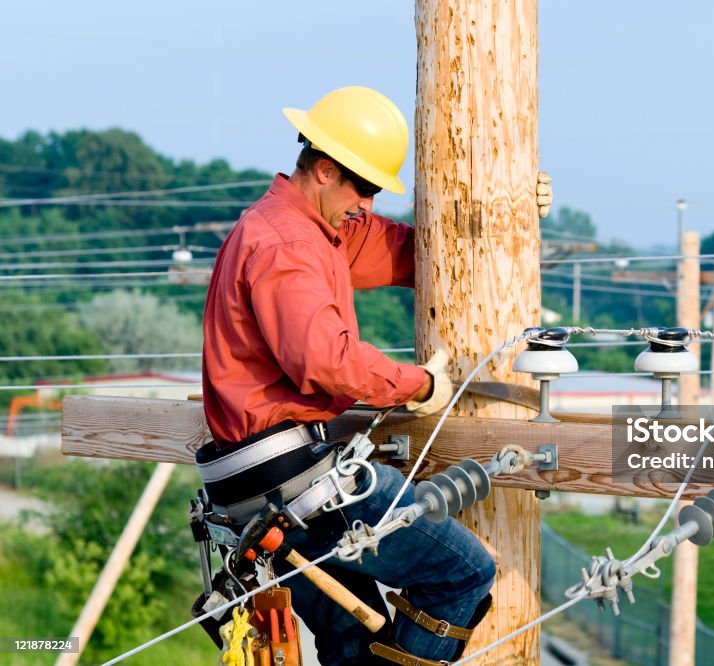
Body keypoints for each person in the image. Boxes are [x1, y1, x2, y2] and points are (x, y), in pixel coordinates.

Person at [200, 86, 551, 665]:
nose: (366, 203)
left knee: (352, 646)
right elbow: (327, 362)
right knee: (464, 572)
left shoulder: (311, 232)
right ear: (323, 169)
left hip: (259, 491)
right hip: (294, 482)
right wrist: (420, 385)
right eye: (361, 187)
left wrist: (515, 212)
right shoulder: (288, 244)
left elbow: (434, 254)